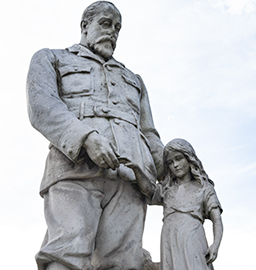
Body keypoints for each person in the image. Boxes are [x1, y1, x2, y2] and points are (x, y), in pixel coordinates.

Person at [26, 2, 164, 270]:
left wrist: (172, 173)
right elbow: (42, 107)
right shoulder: (51, 58)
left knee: (125, 263)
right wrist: (86, 138)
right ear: (85, 25)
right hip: (74, 170)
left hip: (130, 179)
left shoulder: (133, 79)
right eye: (105, 23)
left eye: (117, 28)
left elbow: (149, 133)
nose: (112, 32)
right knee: (67, 252)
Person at [126, 138, 223, 270]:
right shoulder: (167, 189)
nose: (175, 165)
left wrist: (215, 245)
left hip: (192, 236)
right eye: (170, 162)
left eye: (178, 159)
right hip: (169, 238)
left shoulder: (204, 188)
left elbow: (217, 219)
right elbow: (149, 190)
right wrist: (136, 168)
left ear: (189, 159)